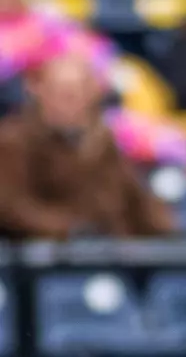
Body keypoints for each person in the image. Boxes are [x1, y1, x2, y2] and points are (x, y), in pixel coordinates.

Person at [0, 53, 174, 240]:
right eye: (63, 93)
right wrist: (71, 229)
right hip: (45, 256)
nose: (72, 101)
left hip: (108, 253)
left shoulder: (103, 143)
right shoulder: (14, 141)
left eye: (81, 91)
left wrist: (165, 229)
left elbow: (134, 200)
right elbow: (11, 207)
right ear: (38, 91)